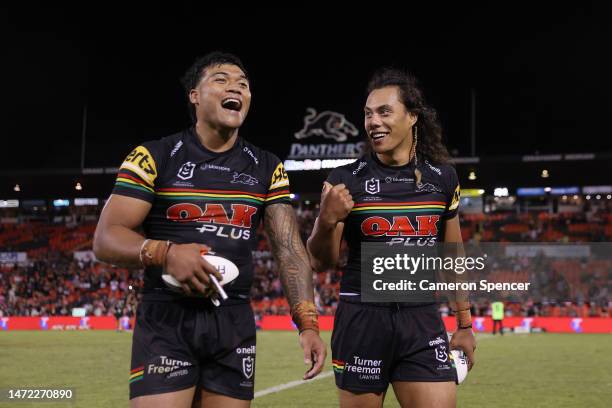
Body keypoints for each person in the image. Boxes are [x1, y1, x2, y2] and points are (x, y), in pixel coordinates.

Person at [93, 51, 326, 408]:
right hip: (167, 318)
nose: (236, 87)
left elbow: (289, 250)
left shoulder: (267, 167)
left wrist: (307, 322)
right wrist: (166, 254)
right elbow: (107, 237)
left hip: (233, 322)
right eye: (221, 79)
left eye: (243, 84)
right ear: (194, 95)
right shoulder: (154, 156)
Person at [308, 68, 476, 407]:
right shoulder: (345, 179)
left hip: (421, 318)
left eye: (385, 111)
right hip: (362, 318)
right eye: (368, 114)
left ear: (413, 116)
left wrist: (464, 322)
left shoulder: (443, 179)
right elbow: (320, 260)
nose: (374, 122)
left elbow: (452, 254)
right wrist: (326, 221)